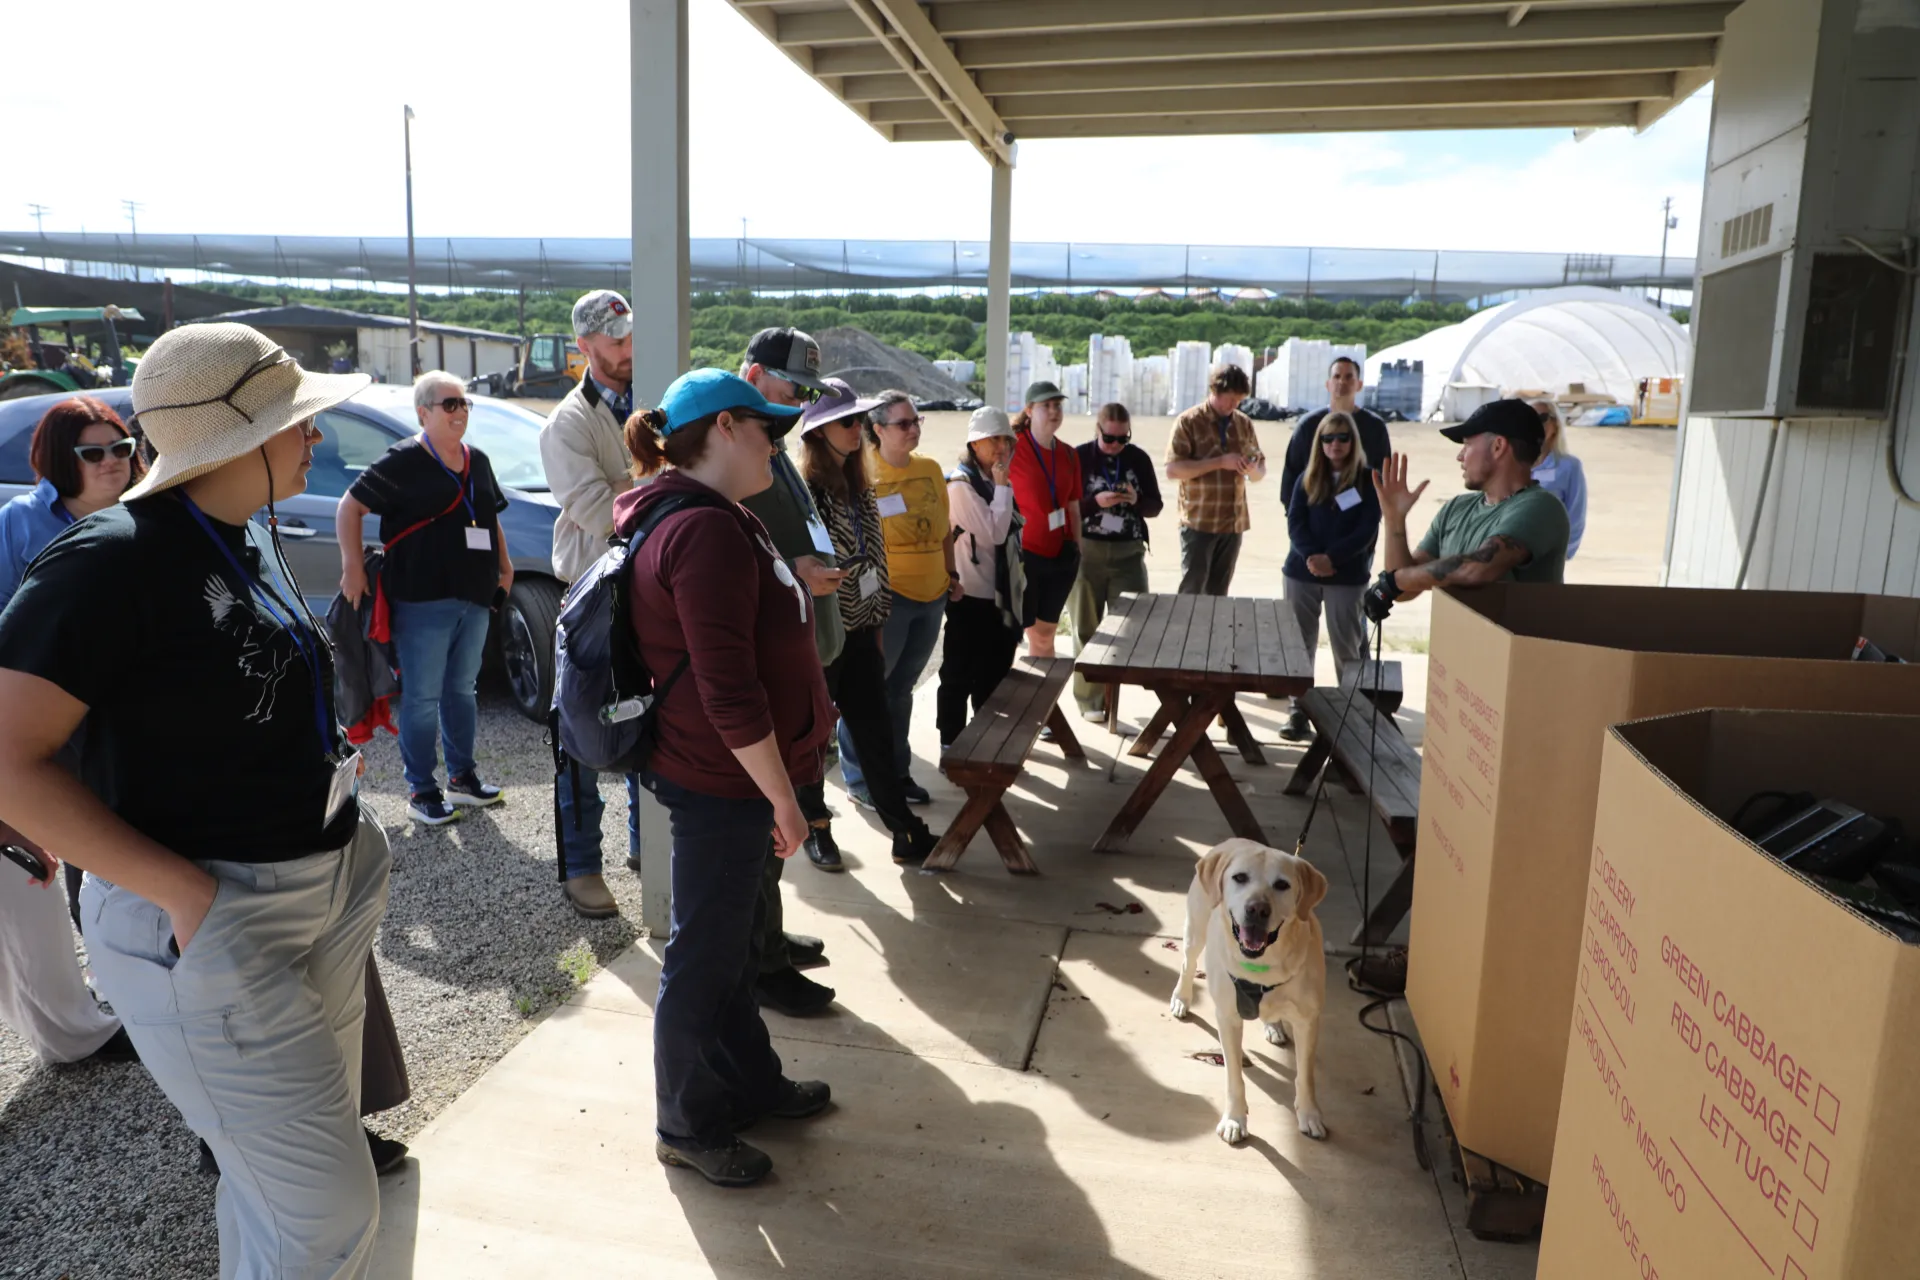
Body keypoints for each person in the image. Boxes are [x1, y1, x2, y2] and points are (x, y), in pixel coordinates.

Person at [0, 322, 392, 1277]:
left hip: (312, 889)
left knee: (280, 1192)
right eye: (297, 422)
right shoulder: (112, 558)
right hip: (216, 917)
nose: (315, 438)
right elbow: (7, 757)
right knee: (326, 1217)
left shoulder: (231, 532)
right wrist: (187, 896)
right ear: (233, 437)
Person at [619, 368, 835, 1189]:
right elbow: (728, 688)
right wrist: (784, 796)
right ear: (721, 432)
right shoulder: (702, 529)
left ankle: (750, 1081)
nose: (778, 444)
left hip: (727, 778)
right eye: (766, 428)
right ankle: (688, 1121)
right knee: (705, 956)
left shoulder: (714, 515)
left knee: (733, 949)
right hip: (723, 783)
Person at [0, 396, 142, 1064]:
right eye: (95, 453)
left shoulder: (148, 513)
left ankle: (146, 983)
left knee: (145, 840)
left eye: (122, 447)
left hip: (140, 712)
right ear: (61, 461)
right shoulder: (19, 527)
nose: (114, 461)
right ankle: (114, 994)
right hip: (57, 727)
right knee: (90, 852)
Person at [338, 371, 511, 826]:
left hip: (473, 596)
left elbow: (490, 518)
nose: (460, 412)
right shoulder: (403, 460)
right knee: (422, 697)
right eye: (449, 404)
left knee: (462, 691)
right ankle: (422, 788)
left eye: (464, 403)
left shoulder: (480, 461)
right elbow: (348, 507)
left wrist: (505, 568)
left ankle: (462, 777)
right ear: (423, 413)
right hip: (421, 598)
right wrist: (353, 568)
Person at [738, 327, 844, 1016]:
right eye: (791, 389)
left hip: (800, 660)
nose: (801, 404)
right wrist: (797, 574)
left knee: (776, 835)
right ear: (752, 376)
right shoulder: (737, 451)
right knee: (760, 830)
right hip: (765, 675)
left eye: (808, 393)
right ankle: (761, 964)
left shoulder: (770, 447)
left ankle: (769, 940)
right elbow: (727, 558)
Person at [791, 381, 939, 872]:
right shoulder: (805, 493)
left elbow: (874, 557)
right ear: (818, 432)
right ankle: (817, 831)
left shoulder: (860, 485)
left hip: (861, 633)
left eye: (859, 421)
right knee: (815, 739)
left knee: (875, 731)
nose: (859, 430)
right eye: (848, 422)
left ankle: (903, 829)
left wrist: (876, 624)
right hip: (822, 640)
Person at [538, 289, 642, 919]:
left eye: (631, 335)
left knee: (649, 711)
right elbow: (597, 513)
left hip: (647, 583)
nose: (628, 348)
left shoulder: (651, 403)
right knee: (578, 732)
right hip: (590, 592)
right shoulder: (568, 424)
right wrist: (652, 489)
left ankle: (644, 842)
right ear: (585, 346)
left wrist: (631, 488)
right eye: (615, 339)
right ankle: (581, 866)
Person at [834, 390, 958, 808]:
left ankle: (897, 773)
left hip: (932, 595)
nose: (913, 429)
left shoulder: (931, 469)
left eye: (916, 421)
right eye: (903, 423)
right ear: (878, 429)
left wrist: (952, 573)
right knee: (868, 690)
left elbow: (944, 528)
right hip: (889, 599)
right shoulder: (865, 473)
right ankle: (860, 779)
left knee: (901, 689)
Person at [1363, 398, 1571, 624]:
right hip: (1458, 652)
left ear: (1498, 446)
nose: (1460, 456)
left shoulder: (1541, 507)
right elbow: (1404, 591)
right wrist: (1395, 519)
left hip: (1516, 656)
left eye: (1467, 445)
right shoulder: (1456, 508)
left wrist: (1395, 581)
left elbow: (1478, 569)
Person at [1281, 411, 1382, 740]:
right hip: (1302, 572)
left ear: (1353, 442)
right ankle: (1298, 710)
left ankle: (1349, 715)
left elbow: (1367, 529)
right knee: (1299, 645)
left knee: (1347, 647)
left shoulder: (1368, 479)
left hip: (1347, 576)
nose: (1335, 444)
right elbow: (1295, 522)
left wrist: (1332, 558)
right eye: (1328, 438)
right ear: (1319, 443)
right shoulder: (1306, 478)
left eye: (1342, 437)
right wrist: (1312, 556)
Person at [1067, 403, 1162, 721]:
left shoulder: (1138, 458)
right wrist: (1095, 502)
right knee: (1086, 628)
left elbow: (1155, 507)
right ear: (1097, 429)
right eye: (1110, 438)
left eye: (1123, 438)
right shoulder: (1079, 457)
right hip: (1087, 552)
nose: (1116, 445)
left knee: (1134, 627)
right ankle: (1090, 700)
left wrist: (1136, 501)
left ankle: (1115, 690)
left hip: (1128, 553)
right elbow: (1066, 509)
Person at [937, 408, 1024, 751]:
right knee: (958, 673)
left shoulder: (993, 480)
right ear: (975, 444)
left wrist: (1001, 486)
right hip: (970, 595)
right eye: (994, 440)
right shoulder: (961, 485)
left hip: (998, 595)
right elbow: (995, 533)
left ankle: (983, 741)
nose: (1002, 447)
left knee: (994, 674)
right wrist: (1003, 487)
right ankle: (952, 743)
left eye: (1006, 439)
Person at [1166, 364, 1265, 596]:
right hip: (1199, 523)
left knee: (1219, 594)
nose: (1234, 406)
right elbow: (1172, 470)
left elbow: (1260, 473)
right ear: (1215, 391)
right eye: (1230, 399)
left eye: (1238, 400)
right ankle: (1188, 633)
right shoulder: (1188, 422)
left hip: (1233, 524)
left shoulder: (1244, 423)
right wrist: (1219, 463)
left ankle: (1214, 633)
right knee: (1192, 590)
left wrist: (1251, 470)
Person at [1008, 380, 1083, 658]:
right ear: (1029, 410)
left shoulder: (1068, 454)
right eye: (1046, 406)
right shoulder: (1012, 448)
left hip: (1061, 554)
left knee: (1046, 634)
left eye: (1057, 405)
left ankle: (1044, 699)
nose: (1054, 411)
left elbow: (1073, 506)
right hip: (1025, 554)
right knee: (1031, 634)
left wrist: (1079, 549)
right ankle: (1030, 697)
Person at [1278, 357, 1393, 509]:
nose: (1342, 382)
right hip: (1313, 519)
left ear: (1359, 385)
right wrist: (1297, 520)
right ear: (1328, 384)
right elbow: (1291, 478)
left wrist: (1366, 516)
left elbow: (1383, 477)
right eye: (1336, 377)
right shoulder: (1308, 425)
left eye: (1348, 377)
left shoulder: (1374, 427)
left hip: (1360, 520)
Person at [1529, 399, 1588, 560]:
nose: (1534, 425)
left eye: (1541, 418)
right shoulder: (1512, 465)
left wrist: (1561, 555)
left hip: (1548, 559)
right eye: (1528, 419)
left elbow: (1576, 517)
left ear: (1555, 424)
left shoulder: (1569, 467)